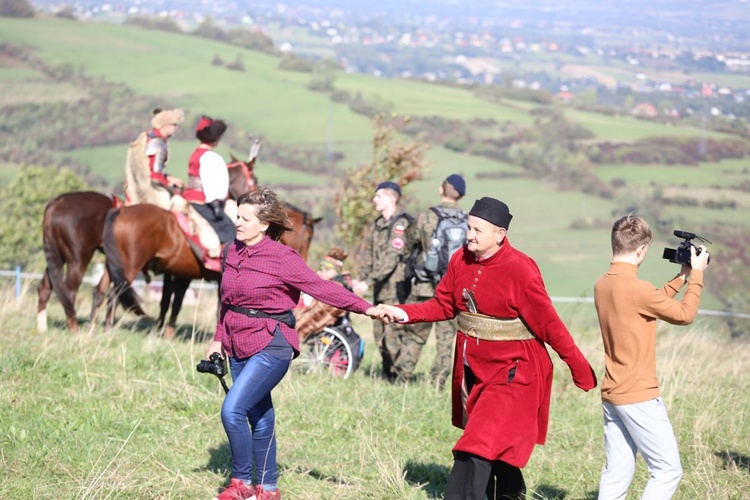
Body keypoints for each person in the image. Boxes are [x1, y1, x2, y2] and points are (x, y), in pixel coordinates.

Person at [376, 196, 597, 499]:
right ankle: (510, 492)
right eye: (469, 227)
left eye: (478, 230)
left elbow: (550, 325)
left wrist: (579, 367)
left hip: (516, 372)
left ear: (500, 235)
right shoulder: (460, 259)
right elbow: (443, 305)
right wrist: (403, 313)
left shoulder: (521, 269)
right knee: (494, 441)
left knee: (478, 441)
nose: (469, 235)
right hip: (475, 372)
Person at [203, 188, 382, 500]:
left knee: (232, 409)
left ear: (264, 224)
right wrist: (217, 339)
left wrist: (367, 308)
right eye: (238, 216)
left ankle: (241, 483)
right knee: (259, 415)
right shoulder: (230, 251)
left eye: (245, 218)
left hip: (273, 342)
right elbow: (226, 301)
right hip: (235, 341)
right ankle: (268, 489)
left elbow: (322, 288)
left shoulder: (284, 257)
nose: (238, 222)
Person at [594, 215, 709, 499]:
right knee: (668, 470)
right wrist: (697, 276)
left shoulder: (602, 284)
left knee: (617, 471)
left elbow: (648, 301)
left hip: (613, 392)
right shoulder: (637, 289)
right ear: (641, 250)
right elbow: (685, 315)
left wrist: (681, 277)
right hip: (639, 395)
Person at [352, 181, 429, 383]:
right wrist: (361, 277)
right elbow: (368, 255)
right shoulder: (378, 225)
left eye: (379, 196)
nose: (374, 200)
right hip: (380, 288)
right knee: (379, 335)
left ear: (392, 198)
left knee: (393, 335)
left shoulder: (400, 225)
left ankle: (399, 377)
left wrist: (367, 282)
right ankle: (388, 374)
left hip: (396, 288)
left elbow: (391, 259)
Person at [407, 173, 467, 388]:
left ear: (441, 190)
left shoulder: (427, 217)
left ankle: (402, 378)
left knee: (415, 335)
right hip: (452, 290)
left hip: (425, 286)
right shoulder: (469, 221)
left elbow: (409, 243)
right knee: (445, 341)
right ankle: (437, 384)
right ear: (460, 195)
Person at [183, 115, 236, 259]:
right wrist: (217, 203)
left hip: (189, 197)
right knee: (229, 229)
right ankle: (227, 266)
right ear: (215, 139)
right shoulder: (210, 157)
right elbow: (211, 185)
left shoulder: (195, 154)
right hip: (202, 200)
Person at [125, 108, 185, 209]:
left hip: (134, 185)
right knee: (181, 206)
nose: (176, 128)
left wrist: (168, 177)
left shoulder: (146, 137)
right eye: (173, 125)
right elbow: (155, 176)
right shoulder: (159, 143)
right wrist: (171, 188)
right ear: (164, 125)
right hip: (147, 188)